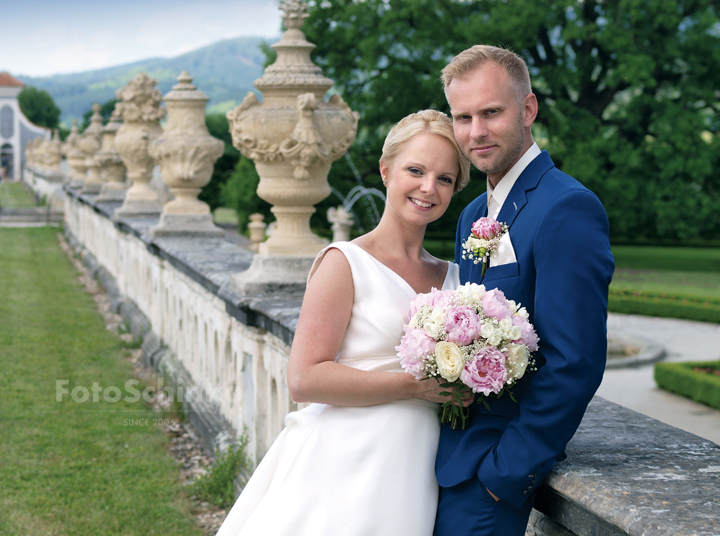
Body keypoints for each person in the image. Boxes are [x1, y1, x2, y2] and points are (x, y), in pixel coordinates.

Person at [216, 110, 472, 536]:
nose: (429, 187)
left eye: (445, 179)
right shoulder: (345, 262)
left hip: (415, 470)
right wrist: (414, 387)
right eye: (416, 170)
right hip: (341, 464)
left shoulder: (457, 279)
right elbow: (304, 379)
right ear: (386, 170)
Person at [433, 45, 615, 536]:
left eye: (491, 112)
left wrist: (504, 474)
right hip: (444, 460)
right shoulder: (473, 214)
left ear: (528, 109)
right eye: (463, 116)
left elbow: (574, 362)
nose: (476, 131)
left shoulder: (567, 207)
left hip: (492, 477)